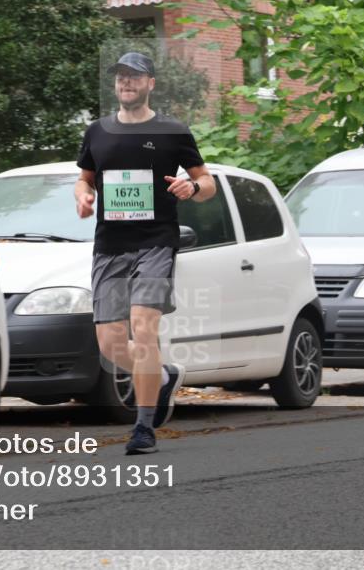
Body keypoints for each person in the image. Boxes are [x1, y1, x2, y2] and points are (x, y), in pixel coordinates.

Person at [74, 51, 216, 455]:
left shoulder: (172, 131)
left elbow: (207, 183)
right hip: (109, 247)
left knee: (143, 326)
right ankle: (162, 376)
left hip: (156, 243)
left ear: (150, 83)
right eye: (120, 76)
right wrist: (83, 196)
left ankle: (143, 426)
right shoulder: (97, 132)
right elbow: (84, 179)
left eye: (134, 76)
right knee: (110, 345)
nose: (126, 82)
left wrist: (192, 187)